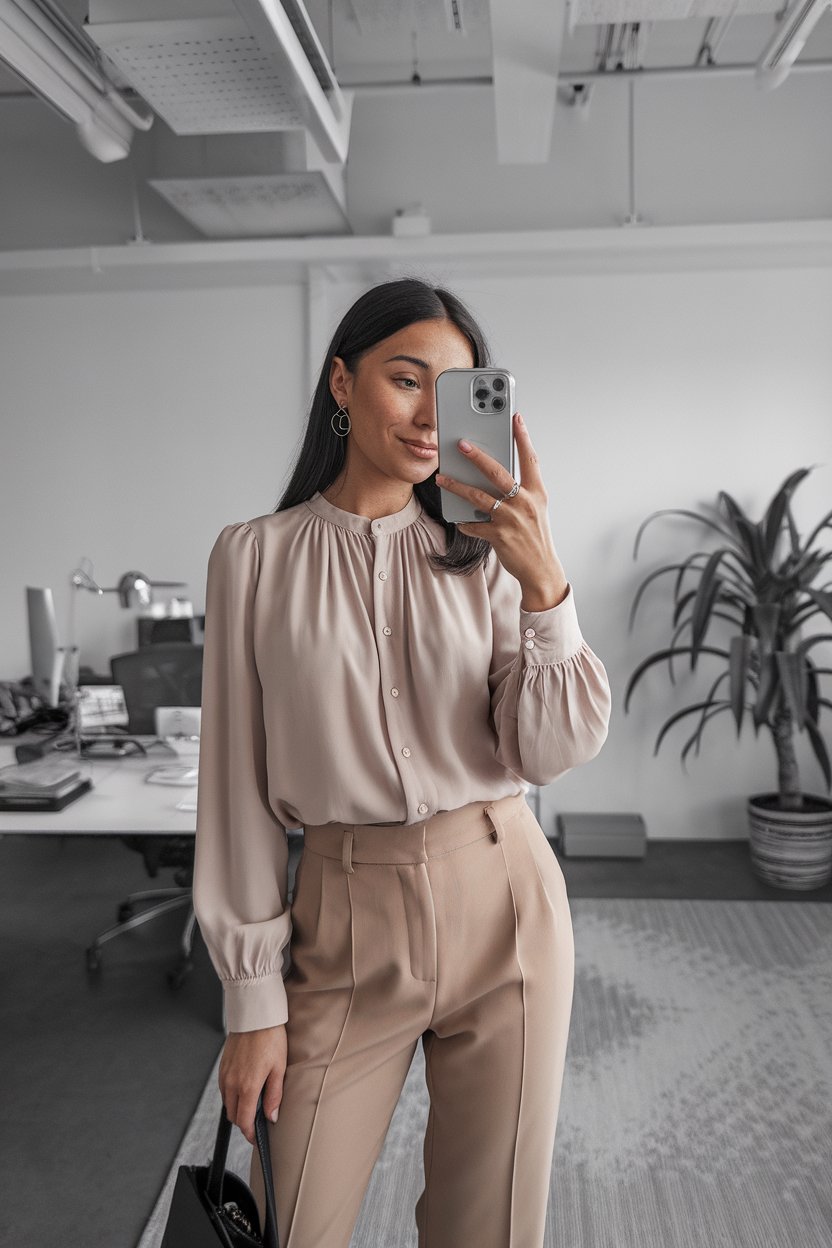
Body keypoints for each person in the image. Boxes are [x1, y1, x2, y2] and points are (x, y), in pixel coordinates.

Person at [192, 278, 612, 1248]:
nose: (431, 416)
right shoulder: (252, 558)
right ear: (341, 383)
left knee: (489, 1229)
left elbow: (548, 749)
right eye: (405, 380)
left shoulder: (488, 554)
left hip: (502, 894)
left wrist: (543, 583)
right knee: (296, 1222)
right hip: (340, 916)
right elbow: (236, 796)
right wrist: (250, 1001)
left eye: (457, 388)